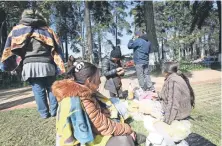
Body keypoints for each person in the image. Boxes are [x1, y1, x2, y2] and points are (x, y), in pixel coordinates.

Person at [52, 61, 146, 146]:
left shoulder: (80, 89)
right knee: (124, 140)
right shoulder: (83, 100)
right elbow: (104, 127)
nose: (100, 81)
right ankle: (133, 138)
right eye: (97, 78)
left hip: (93, 130)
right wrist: (127, 129)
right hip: (85, 140)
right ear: (88, 81)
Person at [1, 9, 65, 119]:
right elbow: (58, 47)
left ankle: (44, 114)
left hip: (30, 65)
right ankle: (55, 112)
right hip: (47, 64)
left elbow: (9, 48)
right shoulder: (48, 30)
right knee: (52, 87)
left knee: (38, 89)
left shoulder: (17, 30)